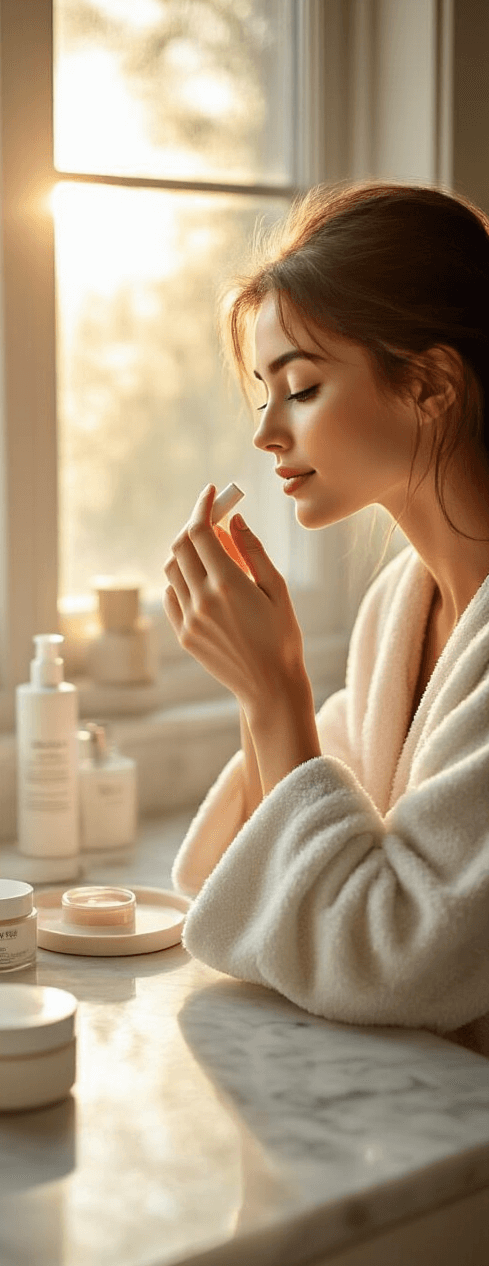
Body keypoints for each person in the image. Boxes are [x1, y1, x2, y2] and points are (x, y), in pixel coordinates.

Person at [164, 181, 489, 1032]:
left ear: (430, 384)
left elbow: (391, 959)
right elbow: (274, 868)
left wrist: (277, 688)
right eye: (265, 394)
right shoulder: (399, 609)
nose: (268, 431)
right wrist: (252, 681)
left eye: (301, 388)